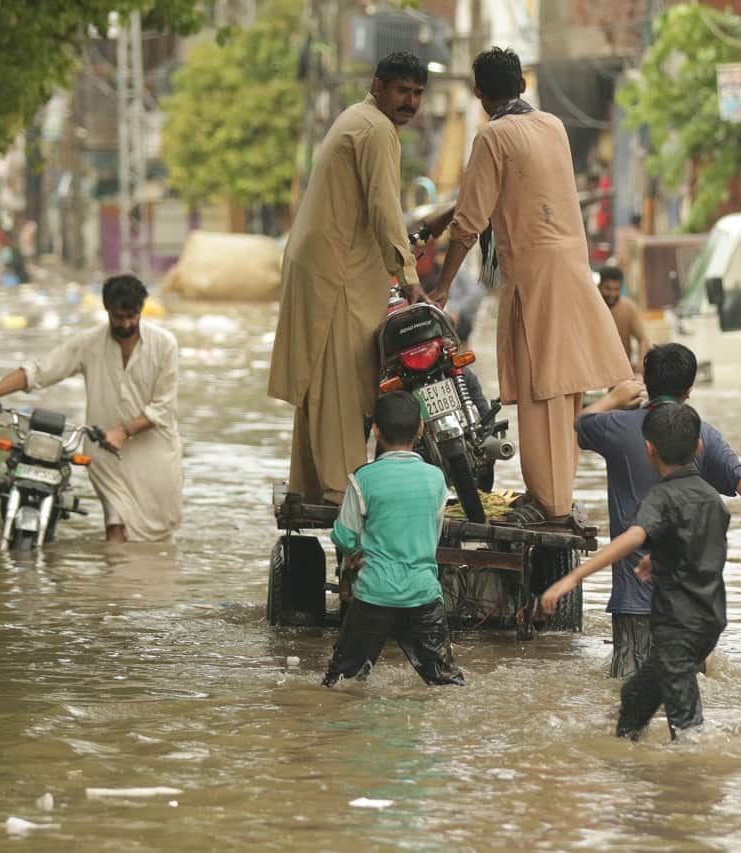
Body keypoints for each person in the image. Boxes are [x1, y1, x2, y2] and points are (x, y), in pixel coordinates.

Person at [424, 47, 631, 524]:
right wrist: (441, 216)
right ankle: (555, 492)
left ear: (479, 93)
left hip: (535, 275)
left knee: (542, 388)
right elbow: (496, 191)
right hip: (570, 268)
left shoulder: (492, 136)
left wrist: (441, 288)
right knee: (562, 389)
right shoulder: (552, 126)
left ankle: (549, 500)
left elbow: (470, 223)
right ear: (522, 86)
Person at [576, 343, 741, 677]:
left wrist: (614, 398)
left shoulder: (615, 427)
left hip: (635, 600)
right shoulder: (701, 435)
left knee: (626, 695)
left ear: (646, 380)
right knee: (688, 696)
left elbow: (580, 424)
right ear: (689, 391)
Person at [269, 51, 429, 505]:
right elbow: (384, 207)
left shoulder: (357, 118)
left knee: (321, 384)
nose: (411, 102)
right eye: (403, 90)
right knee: (343, 387)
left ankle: (311, 482)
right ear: (379, 87)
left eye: (418, 93)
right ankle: (342, 494)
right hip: (335, 273)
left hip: (322, 266)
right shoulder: (376, 129)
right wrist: (410, 275)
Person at [541, 404, 727, 740]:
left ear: (649, 449)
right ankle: (633, 766)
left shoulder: (660, 497)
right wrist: (658, 558)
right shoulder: (713, 499)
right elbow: (699, 544)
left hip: (677, 627)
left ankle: (694, 782)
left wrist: (572, 577)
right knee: (634, 696)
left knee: (686, 728)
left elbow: (632, 537)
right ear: (699, 446)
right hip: (709, 621)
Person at [0, 274, 183, 543]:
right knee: (116, 526)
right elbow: (38, 371)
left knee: (159, 533)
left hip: (155, 453)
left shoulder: (165, 345)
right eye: (119, 316)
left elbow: (163, 406)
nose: (126, 324)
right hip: (107, 454)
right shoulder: (88, 343)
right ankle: (116, 581)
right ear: (107, 310)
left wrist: (124, 431)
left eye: (132, 317)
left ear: (141, 311)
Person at [323, 391, 465, 688]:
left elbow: (344, 535)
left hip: (374, 595)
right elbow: (434, 532)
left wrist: (357, 552)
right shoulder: (436, 479)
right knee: (446, 683)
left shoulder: (363, 478)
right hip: (424, 594)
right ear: (421, 429)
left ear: (375, 429)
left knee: (340, 683)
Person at [598, 265, 651, 373]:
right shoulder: (590, 307)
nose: (612, 294)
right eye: (608, 289)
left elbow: (642, 339)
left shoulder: (629, 308)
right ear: (599, 286)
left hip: (622, 371)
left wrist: (641, 363)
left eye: (616, 289)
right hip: (595, 373)